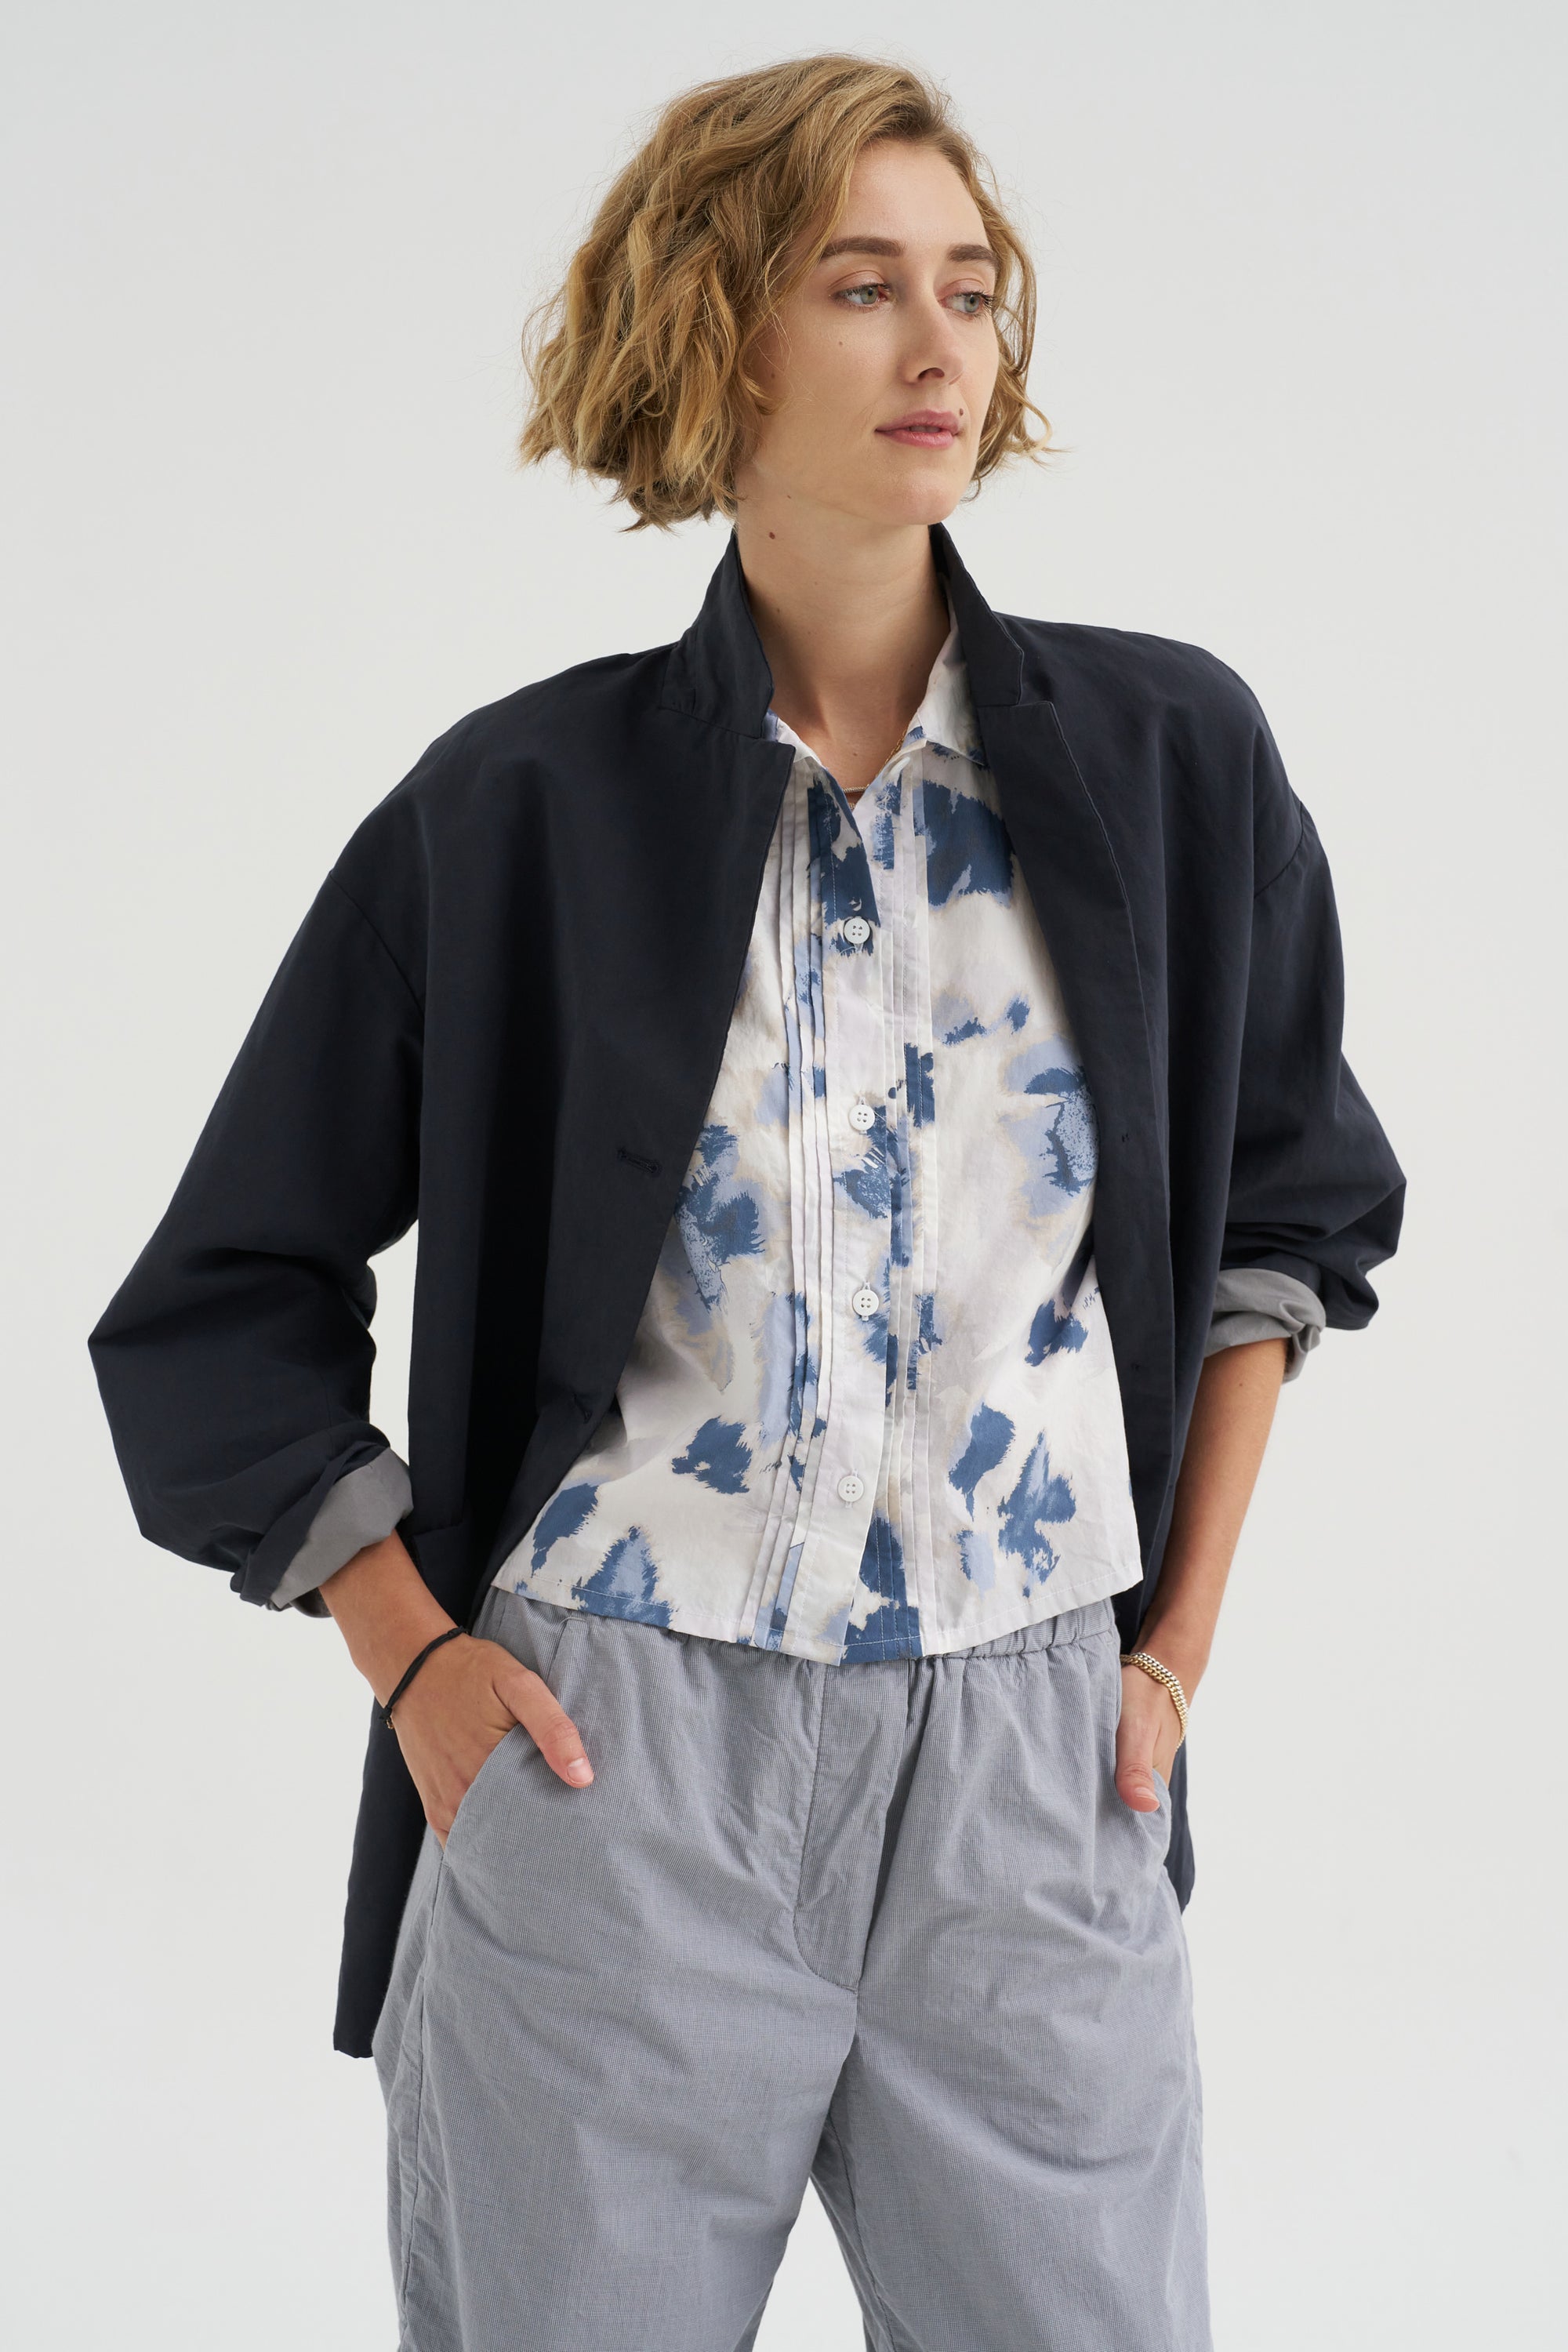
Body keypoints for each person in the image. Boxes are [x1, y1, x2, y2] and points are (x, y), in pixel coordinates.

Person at [88, 52, 1405, 2352]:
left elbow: (1285, 1224)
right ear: (716, 330)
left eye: (971, 288)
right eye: (861, 285)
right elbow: (221, 1297)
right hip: (613, 1758)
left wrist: (1170, 1651)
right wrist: (417, 1665)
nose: (940, 344)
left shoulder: (1174, 764)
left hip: (1034, 1765)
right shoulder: (517, 808)